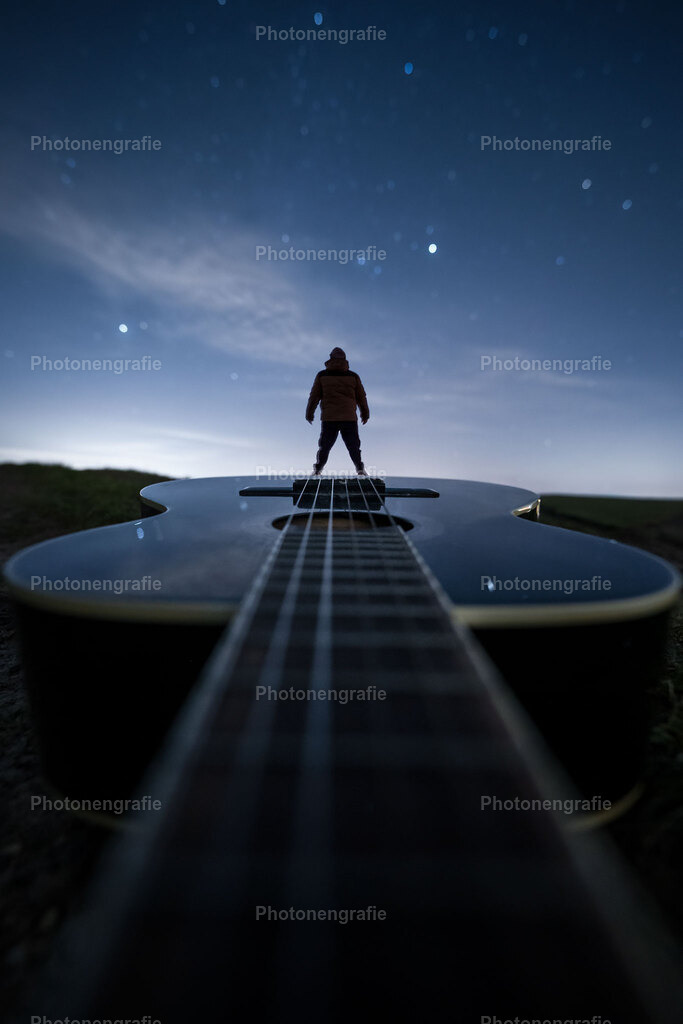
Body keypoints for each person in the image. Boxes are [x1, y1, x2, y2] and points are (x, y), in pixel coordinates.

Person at [305, 347, 369, 475]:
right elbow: (361, 397)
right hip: (349, 418)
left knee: (324, 447)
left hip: (329, 418)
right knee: (353, 446)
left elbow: (314, 396)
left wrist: (309, 413)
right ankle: (360, 470)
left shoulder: (322, 375)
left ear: (331, 359)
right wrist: (365, 413)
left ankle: (317, 470)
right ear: (345, 360)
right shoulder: (353, 376)